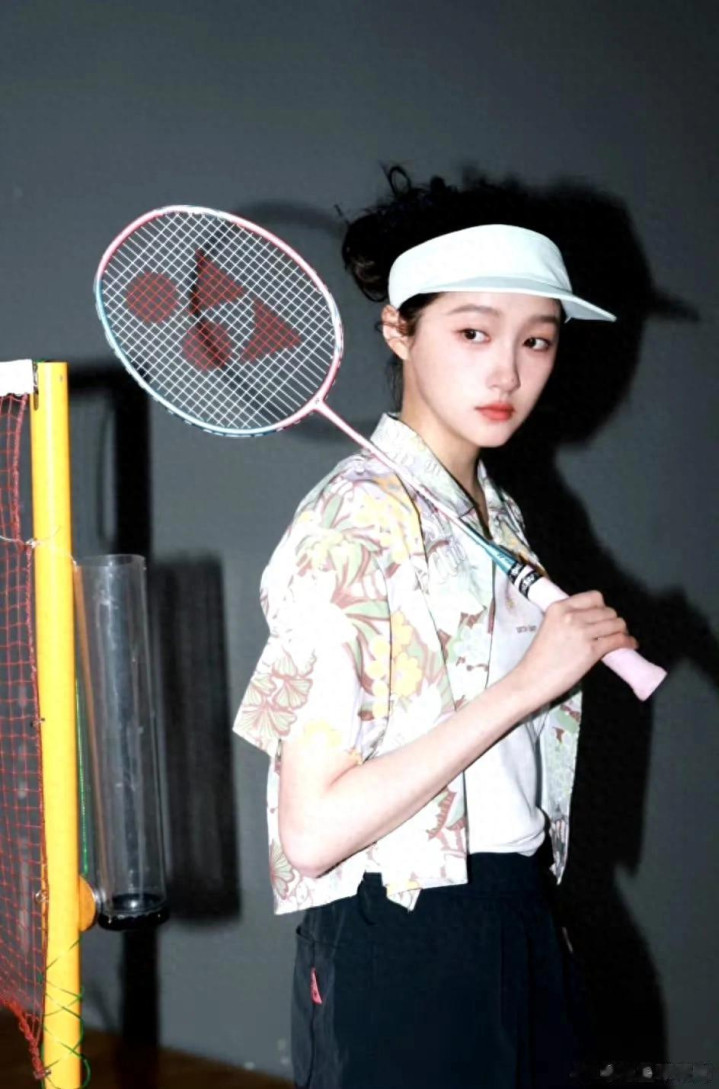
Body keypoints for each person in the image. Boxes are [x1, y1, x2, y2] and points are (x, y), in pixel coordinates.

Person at [234, 167, 634, 1089]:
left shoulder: (496, 511)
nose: (507, 372)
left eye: (537, 340)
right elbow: (313, 829)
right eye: (472, 332)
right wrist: (528, 683)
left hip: (515, 915)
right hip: (408, 939)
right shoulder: (351, 524)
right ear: (398, 330)